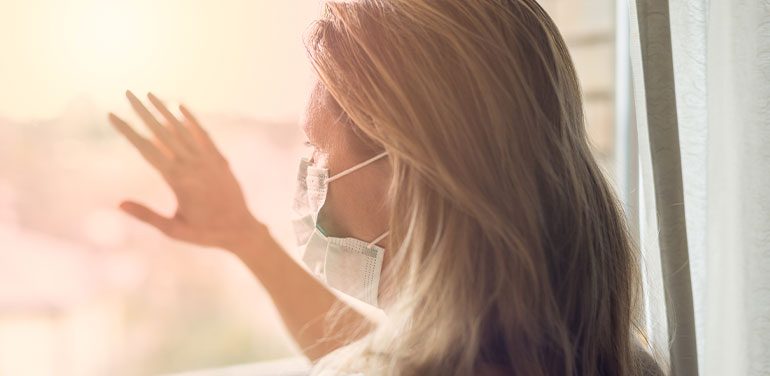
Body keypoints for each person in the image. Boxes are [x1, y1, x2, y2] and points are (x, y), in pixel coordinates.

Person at [107, 0, 665, 375]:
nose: (311, 177)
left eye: (319, 151)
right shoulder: (621, 356)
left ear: (406, 171)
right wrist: (248, 239)